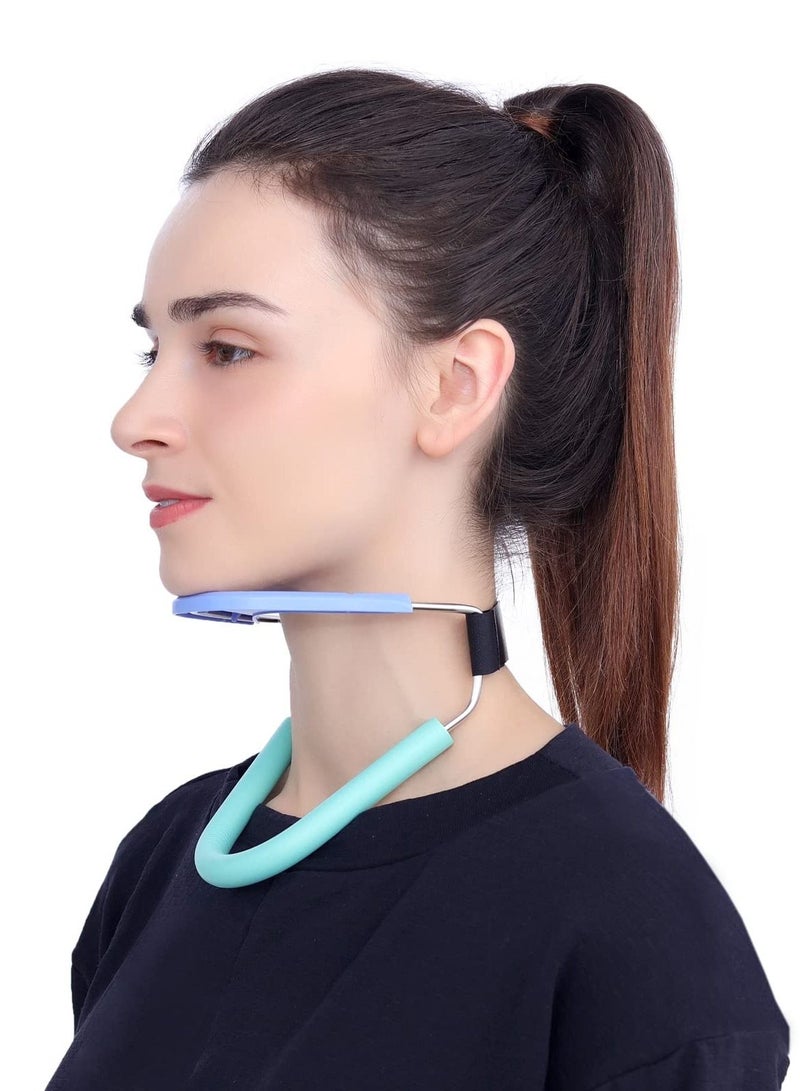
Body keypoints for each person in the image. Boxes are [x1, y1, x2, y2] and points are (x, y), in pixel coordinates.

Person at [45, 68, 790, 1089]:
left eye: (226, 348)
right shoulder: (166, 856)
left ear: (454, 385)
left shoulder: (629, 927)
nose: (135, 421)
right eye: (153, 349)